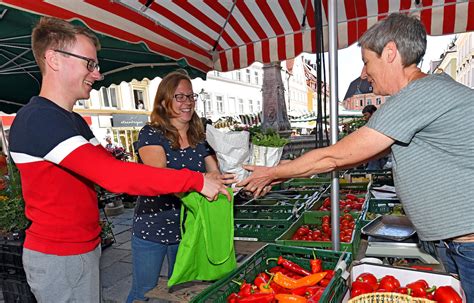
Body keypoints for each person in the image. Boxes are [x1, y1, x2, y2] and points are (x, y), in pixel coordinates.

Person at [239, 13, 474, 301]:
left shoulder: (416, 96)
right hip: (458, 243)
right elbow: (353, 156)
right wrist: (285, 170)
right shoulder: (430, 92)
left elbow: (333, 157)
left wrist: (273, 172)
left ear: (390, 53)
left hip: (468, 244)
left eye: (366, 61)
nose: (364, 74)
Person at [8, 17, 230, 303]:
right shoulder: (39, 119)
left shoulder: (72, 120)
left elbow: (116, 169)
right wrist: (195, 180)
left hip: (82, 249)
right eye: (89, 63)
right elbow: (112, 175)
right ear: (54, 59)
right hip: (60, 255)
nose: (97, 74)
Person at [127, 72, 235, 302]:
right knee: (143, 292)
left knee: (182, 292)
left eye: (190, 96)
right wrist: (200, 181)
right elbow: (160, 176)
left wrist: (233, 174)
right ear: (165, 101)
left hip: (189, 229)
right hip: (153, 225)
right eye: (179, 96)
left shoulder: (200, 136)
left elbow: (215, 174)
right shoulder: (151, 134)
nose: (187, 102)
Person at [361, 105, 386, 170]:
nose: (365, 118)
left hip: (381, 157)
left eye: (366, 115)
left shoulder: (381, 125)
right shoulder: (371, 125)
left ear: (373, 113)